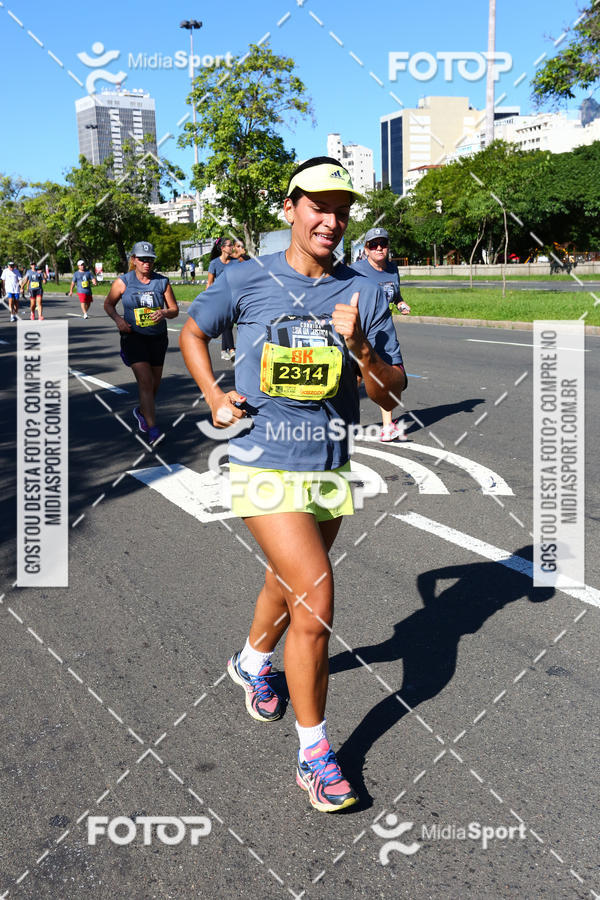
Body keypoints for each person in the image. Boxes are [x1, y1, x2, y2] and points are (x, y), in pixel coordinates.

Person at [180, 156, 406, 812]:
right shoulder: (247, 278)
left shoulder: (364, 290)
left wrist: (362, 347)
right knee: (315, 598)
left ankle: (251, 663)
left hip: (330, 465)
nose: (331, 220)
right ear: (290, 209)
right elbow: (193, 332)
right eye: (318, 206)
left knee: (287, 580)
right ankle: (316, 756)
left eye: (341, 209)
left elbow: (392, 389)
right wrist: (215, 397)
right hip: (259, 462)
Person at [104, 241, 179, 445]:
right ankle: (152, 428)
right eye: (143, 259)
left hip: (158, 338)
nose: (147, 263)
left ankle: (141, 411)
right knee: (145, 382)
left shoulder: (162, 282)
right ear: (134, 260)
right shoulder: (123, 282)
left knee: (154, 384)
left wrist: (163, 312)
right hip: (134, 336)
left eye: (150, 259)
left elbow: (174, 310)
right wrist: (119, 320)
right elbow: (108, 304)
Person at [352, 227, 410, 441]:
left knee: (387, 374)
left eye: (382, 244)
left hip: (384, 331)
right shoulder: (356, 269)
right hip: (361, 330)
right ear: (366, 249)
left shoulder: (393, 269)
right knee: (355, 376)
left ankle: (388, 426)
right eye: (373, 244)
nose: (379, 248)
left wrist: (401, 303)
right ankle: (345, 421)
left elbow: (395, 294)